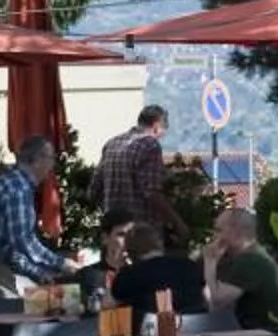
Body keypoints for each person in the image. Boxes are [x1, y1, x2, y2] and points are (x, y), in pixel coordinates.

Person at [0, 137, 74, 301]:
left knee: (2, 314)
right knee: (12, 314)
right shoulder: (19, 188)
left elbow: (11, 249)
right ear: (37, 159)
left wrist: (38, 273)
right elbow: (23, 240)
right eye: (51, 158)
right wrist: (61, 263)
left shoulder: (9, 181)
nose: (52, 165)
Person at [96, 105, 184, 245]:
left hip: (113, 231)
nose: (161, 136)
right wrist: (177, 222)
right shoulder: (150, 145)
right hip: (141, 233)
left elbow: (94, 188)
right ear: (156, 126)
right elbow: (151, 193)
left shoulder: (112, 143)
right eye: (163, 131)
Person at [202, 206, 278, 332]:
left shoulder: (250, 260)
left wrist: (210, 262)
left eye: (219, 230)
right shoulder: (255, 254)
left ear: (236, 232)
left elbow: (217, 302)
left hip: (276, 335)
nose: (214, 236)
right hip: (275, 332)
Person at [109, 220, 208, 317]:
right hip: (196, 325)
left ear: (130, 251)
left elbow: (110, 306)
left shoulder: (127, 277)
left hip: (147, 326)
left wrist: (119, 265)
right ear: (159, 243)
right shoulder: (189, 267)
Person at [74, 208, 138, 306]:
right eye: (121, 235)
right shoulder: (87, 276)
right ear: (105, 238)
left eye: (132, 235)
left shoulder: (144, 276)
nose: (129, 240)